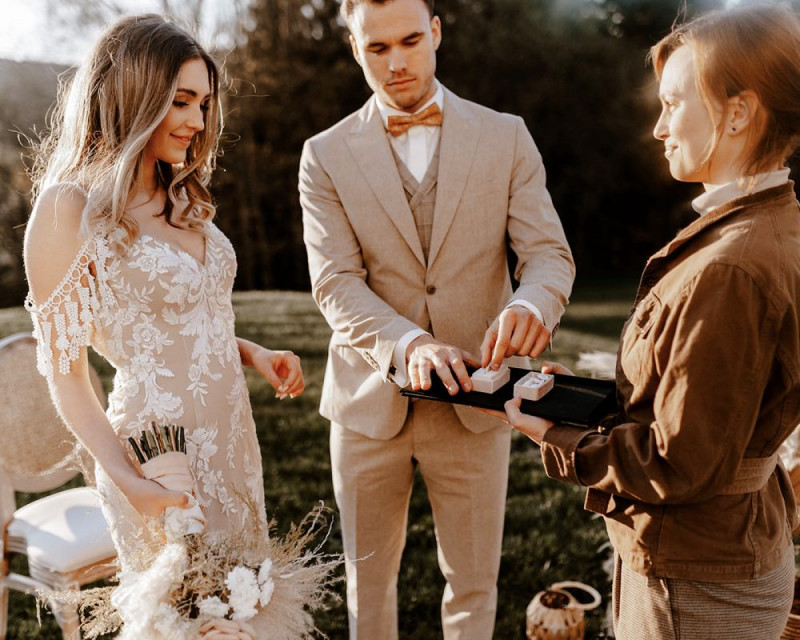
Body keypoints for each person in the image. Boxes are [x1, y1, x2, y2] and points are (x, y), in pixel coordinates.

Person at [495, 4, 800, 639]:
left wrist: (558, 435)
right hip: (723, 552)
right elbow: (708, 408)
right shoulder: (769, 224)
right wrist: (587, 405)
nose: (659, 127)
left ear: (738, 111)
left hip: (696, 578)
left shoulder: (732, 266)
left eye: (673, 102)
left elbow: (681, 461)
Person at [298, 0, 574, 637]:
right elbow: (335, 281)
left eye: (410, 41)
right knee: (367, 587)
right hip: (369, 406)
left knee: (474, 584)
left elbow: (547, 256)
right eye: (377, 48)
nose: (396, 63)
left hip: (477, 406)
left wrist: (531, 305)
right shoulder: (324, 154)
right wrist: (408, 343)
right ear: (353, 47)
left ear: (437, 33)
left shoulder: (505, 136)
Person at [23, 14, 304, 639]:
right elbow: (67, 375)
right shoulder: (69, 209)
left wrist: (252, 351)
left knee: (245, 608)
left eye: (204, 103)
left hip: (233, 440)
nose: (198, 122)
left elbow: (174, 319)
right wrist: (127, 479)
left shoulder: (180, 191)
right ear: (130, 93)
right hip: (159, 456)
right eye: (181, 101)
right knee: (185, 621)